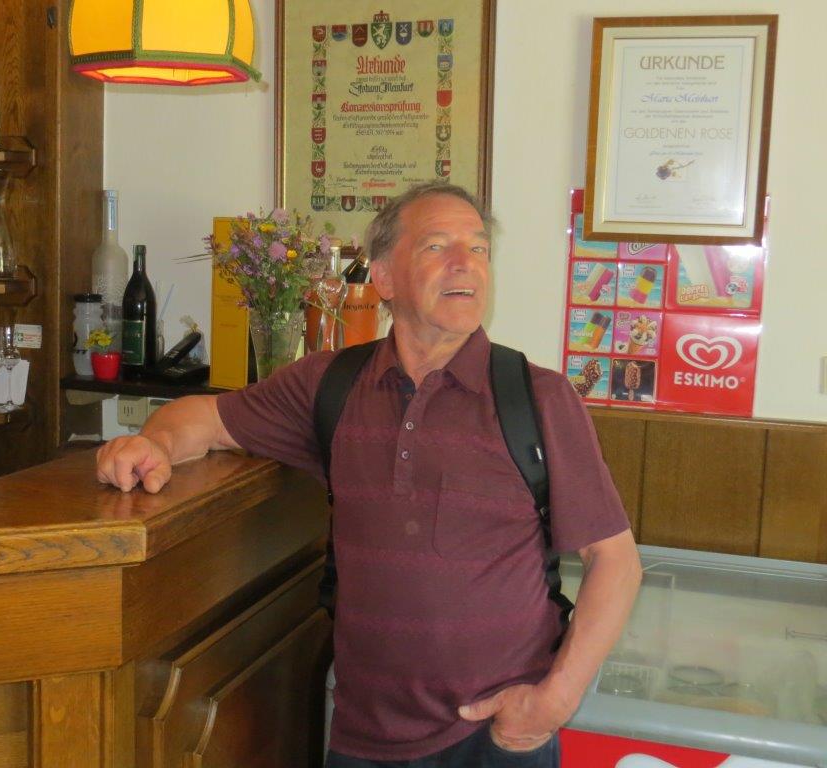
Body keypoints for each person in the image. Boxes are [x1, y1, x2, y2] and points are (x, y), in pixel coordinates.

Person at [96, 182, 642, 767]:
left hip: (496, 735)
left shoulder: (537, 397)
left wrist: (553, 702)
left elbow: (615, 561)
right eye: (437, 246)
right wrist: (151, 443)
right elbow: (205, 419)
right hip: (362, 738)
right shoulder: (329, 384)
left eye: (479, 247)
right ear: (383, 278)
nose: (466, 262)